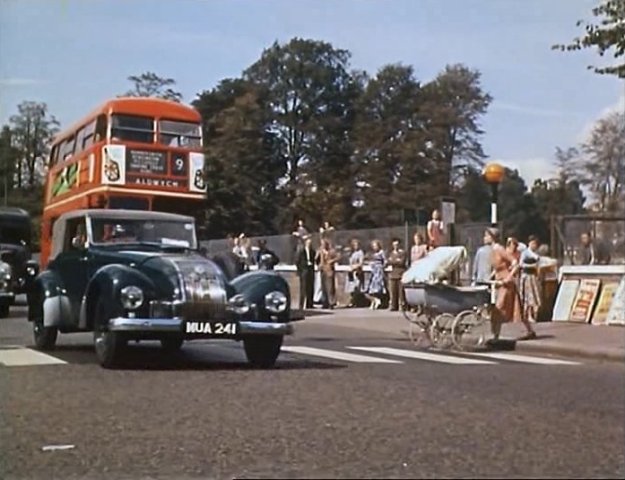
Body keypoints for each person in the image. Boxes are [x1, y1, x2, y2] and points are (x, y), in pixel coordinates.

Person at [487, 228, 522, 344]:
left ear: (491, 237)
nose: (484, 238)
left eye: (486, 236)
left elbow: (515, 263)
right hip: (498, 282)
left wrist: (508, 277)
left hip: (505, 284)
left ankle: (496, 337)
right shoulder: (492, 250)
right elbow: (498, 267)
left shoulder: (500, 249)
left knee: (499, 308)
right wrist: (490, 277)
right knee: (497, 310)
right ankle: (495, 336)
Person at [518, 235, 542, 338]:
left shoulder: (535, 254)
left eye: (535, 244)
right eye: (532, 243)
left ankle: (532, 315)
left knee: (534, 296)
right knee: (527, 296)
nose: (534, 245)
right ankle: (527, 315)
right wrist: (531, 266)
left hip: (533, 276)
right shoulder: (525, 253)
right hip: (526, 276)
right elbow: (521, 264)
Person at [316, 239, 339, 309]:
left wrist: (331, 261)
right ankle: (325, 302)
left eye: (323, 244)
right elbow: (316, 259)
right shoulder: (320, 251)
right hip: (322, 270)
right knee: (323, 287)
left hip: (329, 271)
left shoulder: (331, 251)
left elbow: (338, 257)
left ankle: (331, 303)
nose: (322, 245)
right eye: (321, 244)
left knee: (330, 288)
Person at [365, 240, 386, 310]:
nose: (374, 247)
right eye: (373, 246)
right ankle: (374, 301)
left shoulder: (382, 252)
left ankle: (377, 301)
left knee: (376, 289)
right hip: (373, 271)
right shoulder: (373, 254)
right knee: (369, 290)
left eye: (375, 246)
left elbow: (385, 261)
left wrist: (382, 267)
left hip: (378, 272)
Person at [387, 238, 407, 311]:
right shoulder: (391, 253)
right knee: (393, 291)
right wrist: (395, 261)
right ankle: (393, 306)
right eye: (394, 245)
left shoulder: (403, 253)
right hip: (392, 274)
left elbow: (402, 262)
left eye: (397, 245)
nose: (396, 246)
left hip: (400, 273)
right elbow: (388, 262)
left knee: (401, 292)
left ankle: (402, 305)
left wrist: (393, 261)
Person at [296, 237, 316, 310]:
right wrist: (299, 271)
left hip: (310, 270)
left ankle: (310, 304)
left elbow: (314, 260)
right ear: (305, 243)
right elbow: (297, 261)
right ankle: (301, 304)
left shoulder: (313, 251)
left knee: (310, 287)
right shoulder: (301, 251)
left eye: (310, 243)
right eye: (308, 243)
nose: (309, 244)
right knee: (303, 288)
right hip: (304, 270)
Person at [345, 239, 365, 308]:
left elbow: (361, 263)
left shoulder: (360, 252)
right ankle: (352, 302)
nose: (355, 246)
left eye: (356, 245)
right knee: (351, 288)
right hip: (351, 272)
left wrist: (355, 267)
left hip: (357, 272)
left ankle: (356, 302)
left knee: (357, 287)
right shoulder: (352, 253)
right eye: (354, 245)